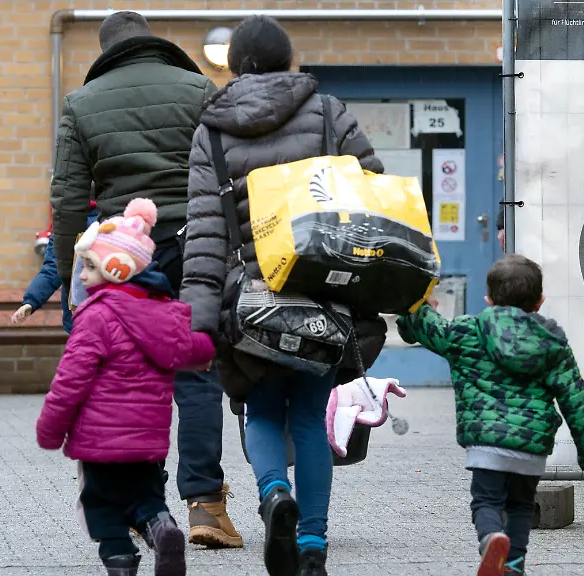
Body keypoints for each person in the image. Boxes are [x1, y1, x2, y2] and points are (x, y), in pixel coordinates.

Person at [179, 15, 387, 576]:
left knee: (261, 410)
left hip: (249, 298)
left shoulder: (212, 131)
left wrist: (199, 317)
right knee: (312, 412)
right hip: (323, 291)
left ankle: (274, 495)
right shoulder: (328, 112)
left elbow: (204, 230)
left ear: (234, 63)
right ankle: (313, 548)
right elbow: (373, 191)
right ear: (288, 59)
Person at [48, 11, 243, 548]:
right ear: (155, 45)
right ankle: (205, 504)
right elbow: (229, 174)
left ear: (106, 52)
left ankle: (143, 505)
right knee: (197, 370)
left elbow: (66, 198)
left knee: (131, 375)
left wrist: (72, 276)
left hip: (123, 253)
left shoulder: (80, 104)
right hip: (197, 244)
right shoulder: (198, 88)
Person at [396, 254, 584, 576]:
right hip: (530, 449)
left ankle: (491, 539)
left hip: (486, 445)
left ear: (488, 299)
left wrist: (418, 308)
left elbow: (428, 329)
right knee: (521, 507)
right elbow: (577, 400)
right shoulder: (552, 344)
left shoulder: (467, 331)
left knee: (486, 502)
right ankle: (512, 566)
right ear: (539, 302)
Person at [36, 199, 216, 576]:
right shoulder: (164, 315)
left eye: (89, 267)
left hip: (98, 443)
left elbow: (71, 380)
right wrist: (209, 349)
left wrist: (50, 429)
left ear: (116, 270)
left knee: (102, 505)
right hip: (147, 444)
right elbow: (191, 348)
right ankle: (161, 527)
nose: (81, 278)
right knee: (146, 498)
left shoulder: (95, 317)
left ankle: (120, 564)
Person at [12, 202, 99, 333]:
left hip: (93, 314)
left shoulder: (111, 219)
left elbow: (52, 268)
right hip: (81, 317)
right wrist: (31, 301)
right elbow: (52, 268)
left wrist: (30, 301)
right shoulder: (66, 222)